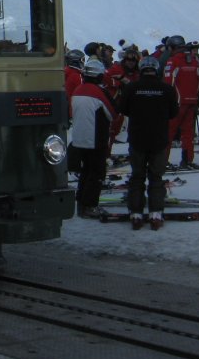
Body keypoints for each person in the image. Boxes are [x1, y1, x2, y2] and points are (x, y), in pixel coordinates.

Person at [119, 56, 179, 230]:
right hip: (159, 139)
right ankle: (156, 214)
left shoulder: (132, 87)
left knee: (137, 177)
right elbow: (174, 112)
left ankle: (136, 214)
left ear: (142, 69)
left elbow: (123, 109)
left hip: (137, 138)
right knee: (156, 178)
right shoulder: (166, 89)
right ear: (156, 69)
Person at [69, 59, 116, 218]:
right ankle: (90, 205)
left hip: (79, 138)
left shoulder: (78, 90)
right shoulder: (99, 92)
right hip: (96, 138)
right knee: (96, 173)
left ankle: (81, 203)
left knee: (85, 171)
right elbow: (112, 112)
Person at [165, 40, 199, 169]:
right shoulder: (193, 59)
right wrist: (194, 96)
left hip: (177, 102)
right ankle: (187, 160)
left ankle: (162, 161)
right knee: (188, 133)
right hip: (191, 101)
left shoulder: (173, 61)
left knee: (168, 132)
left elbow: (168, 82)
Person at [104, 45, 140, 154]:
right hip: (114, 103)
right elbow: (104, 78)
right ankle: (105, 153)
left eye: (133, 60)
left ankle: (135, 153)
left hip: (129, 105)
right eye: (128, 59)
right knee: (109, 130)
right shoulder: (117, 68)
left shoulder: (137, 73)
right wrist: (119, 82)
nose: (131, 62)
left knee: (122, 130)